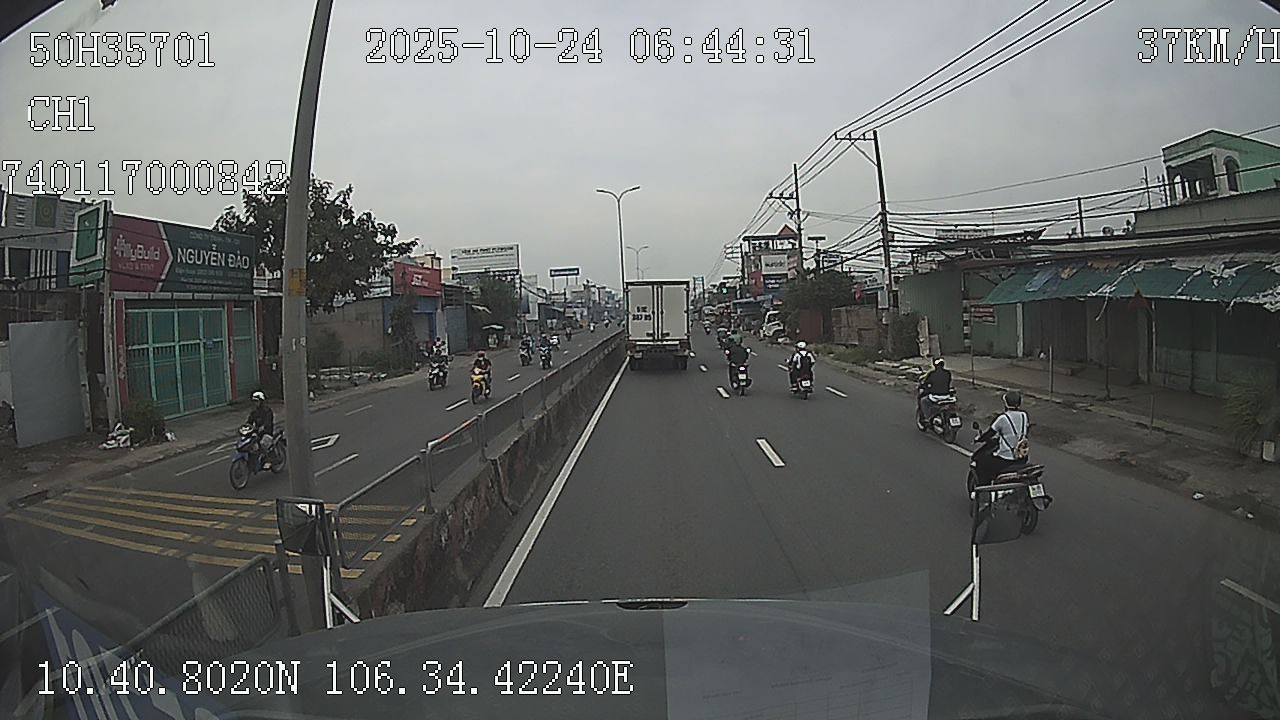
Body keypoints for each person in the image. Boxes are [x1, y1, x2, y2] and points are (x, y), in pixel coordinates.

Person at [974, 391, 1031, 488]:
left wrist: (979, 438)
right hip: (1021, 458)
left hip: (1005, 459)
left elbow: (989, 433)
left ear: (1006, 403)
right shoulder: (1024, 415)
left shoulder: (1003, 418)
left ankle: (983, 490)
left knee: (981, 463)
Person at [917, 357, 954, 423]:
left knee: (923, 401)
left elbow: (926, 383)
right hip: (946, 395)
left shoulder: (932, 374)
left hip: (935, 396)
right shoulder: (948, 373)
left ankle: (927, 418)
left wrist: (923, 386)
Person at [245, 391, 275, 470]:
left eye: (257, 401)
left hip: (267, 432)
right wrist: (246, 427)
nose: (255, 403)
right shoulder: (254, 412)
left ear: (261, 401)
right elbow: (249, 421)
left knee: (263, 444)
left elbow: (268, 421)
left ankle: (268, 460)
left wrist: (263, 427)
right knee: (250, 443)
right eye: (254, 401)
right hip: (257, 432)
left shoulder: (267, 411)